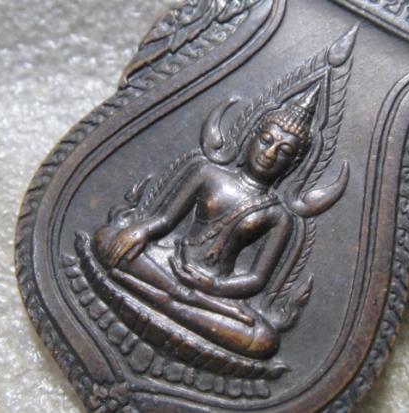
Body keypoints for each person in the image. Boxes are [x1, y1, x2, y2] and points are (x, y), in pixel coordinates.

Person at [92, 86, 320, 359]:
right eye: (266, 140)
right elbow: (165, 220)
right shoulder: (208, 174)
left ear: (293, 163)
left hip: (213, 292)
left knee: (263, 339)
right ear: (251, 137)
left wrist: (214, 287)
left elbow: (256, 279)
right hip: (169, 264)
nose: (269, 153)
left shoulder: (279, 216)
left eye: (283, 151)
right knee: (106, 238)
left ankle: (170, 299)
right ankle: (176, 299)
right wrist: (140, 231)